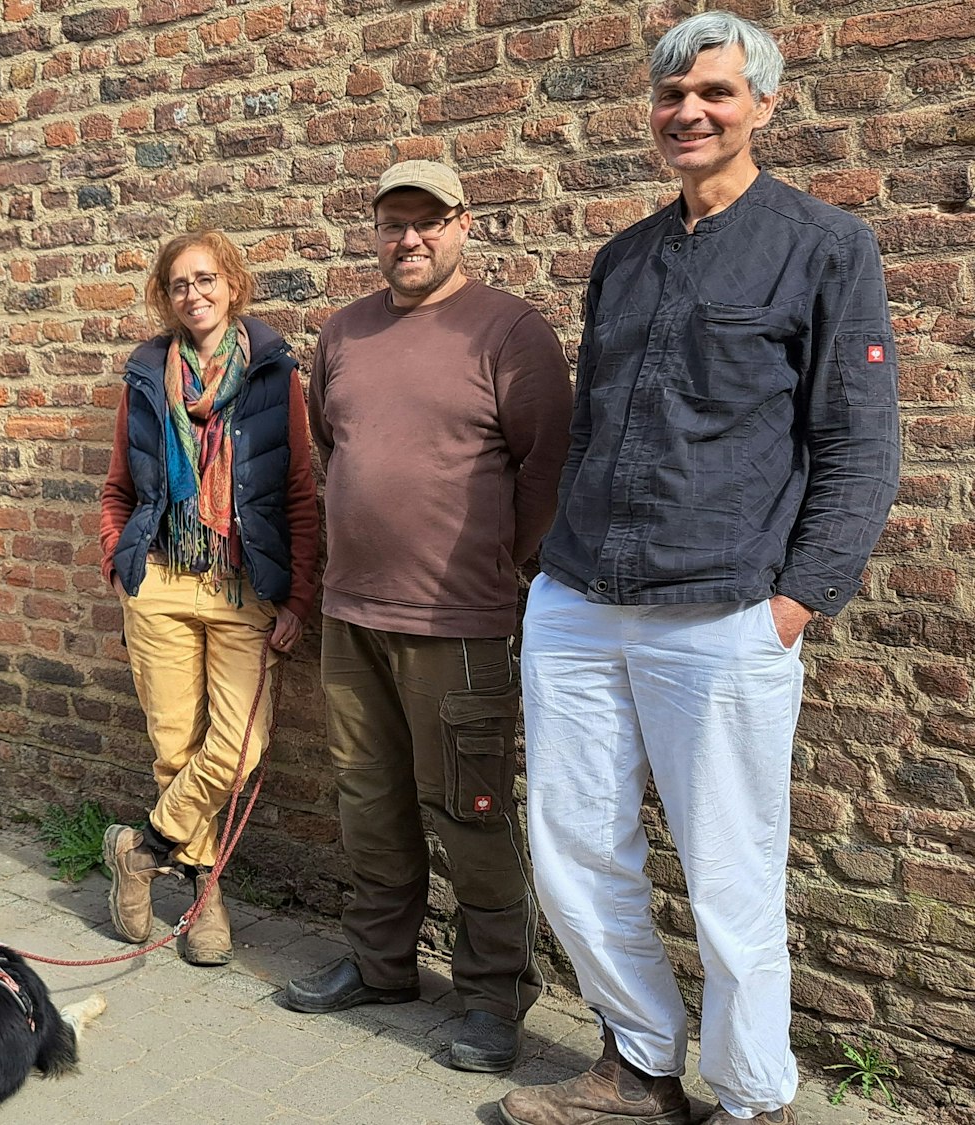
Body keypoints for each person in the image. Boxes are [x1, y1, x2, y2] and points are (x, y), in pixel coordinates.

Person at [501, 13, 901, 1125]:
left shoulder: (824, 247)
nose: (688, 112)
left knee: (729, 879)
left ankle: (750, 1097)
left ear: (762, 106)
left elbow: (860, 446)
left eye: (715, 94)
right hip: (579, 598)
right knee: (573, 854)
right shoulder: (621, 258)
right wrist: (547, 570)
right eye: (671, 94)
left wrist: (795, 601)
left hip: (721, 609)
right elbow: (590, 426)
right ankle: (635, 1068)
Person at [275, 160, 571, 1073]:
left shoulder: (511, 332)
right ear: (376, 231)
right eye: (393, 223)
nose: (410, 238)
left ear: (463, 225)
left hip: (461, 622)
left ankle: (493, 996)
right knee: (368, 798)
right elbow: (333, 449)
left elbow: (548, 469)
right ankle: (381, 962)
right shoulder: (344, 332)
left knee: (469, 808)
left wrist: (499, 563)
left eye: (429, 222)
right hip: (354, 611)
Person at [98, 229, 319, 967]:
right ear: (165, 296)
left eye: (206, 279)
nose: (193, 294)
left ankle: (143, 846)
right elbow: (118, 489)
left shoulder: (271, 374)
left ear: (233, 284)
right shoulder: (143, 377)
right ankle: (205, 895)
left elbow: (298, 492)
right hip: (160, 578)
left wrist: (298, 597)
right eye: (179, 284)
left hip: (241, 584)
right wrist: (118, 564)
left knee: (240, 742)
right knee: (175, 747)